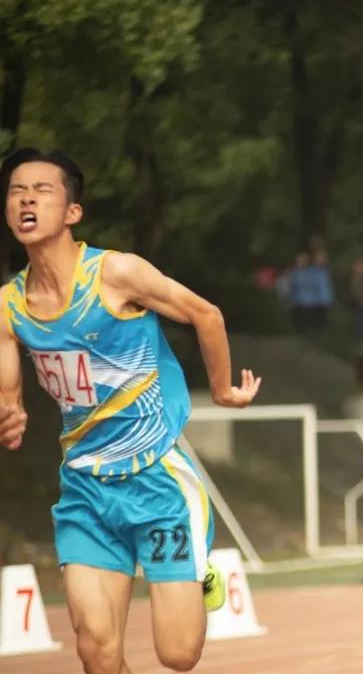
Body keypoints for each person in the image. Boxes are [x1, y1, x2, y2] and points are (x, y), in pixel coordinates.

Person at [0, 148, 261, 673]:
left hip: (156, 481)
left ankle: (197, 571)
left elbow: (205, 315)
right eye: (16, 191)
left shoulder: (115, 273)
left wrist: (223, 390)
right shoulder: (9, 306)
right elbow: (9, 397)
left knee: (178, 654)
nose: (27, 199)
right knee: (96, 650)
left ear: (72, 211)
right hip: (85, 489)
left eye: (42, 190)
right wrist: (11, 415)